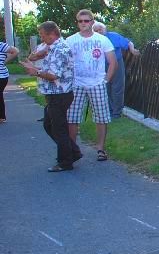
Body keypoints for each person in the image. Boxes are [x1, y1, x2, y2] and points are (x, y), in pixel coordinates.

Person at [21, 21, 78, 171]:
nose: (42, 38)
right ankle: (73, 152)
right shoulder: (53, 48)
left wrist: (36, 72)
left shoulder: (60, 49)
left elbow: (54, 75)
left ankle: (65, 162)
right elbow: (51, 68)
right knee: (49, 124)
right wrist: (35, 68)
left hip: (59, 94)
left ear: (52, 34)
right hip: (55, 94)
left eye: (43, 35)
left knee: (58, 128)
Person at [66, 10, 117, 161]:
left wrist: (105, 80)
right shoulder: (70, 40)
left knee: (101, 118)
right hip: (77, 83)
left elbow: (113, 63)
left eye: (86, 21)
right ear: (77, 22)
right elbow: (64, 61)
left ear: (92, 22)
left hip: (97, 83)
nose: (83, 23)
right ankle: (73, 150)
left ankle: (100, 148)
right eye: (80, 21)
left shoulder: (102, 40)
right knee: (72, 118)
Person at [92, 21, 138, 118]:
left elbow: (128, 42)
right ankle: (109, 110)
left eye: (100, 29)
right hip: (101, 66)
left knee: (117, 88)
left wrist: (133, 50)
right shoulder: (93, 40)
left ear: (104, 29)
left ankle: (117, 112)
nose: (99, 32)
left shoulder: (113, 36)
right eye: (96, 30)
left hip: (116, 63)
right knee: (105, 88)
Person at [0, 37, 19, 123]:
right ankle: (1, 117)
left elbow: (16, 51)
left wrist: (5, 61)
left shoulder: (1, 45)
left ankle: (1, 117)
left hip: (1, 76)